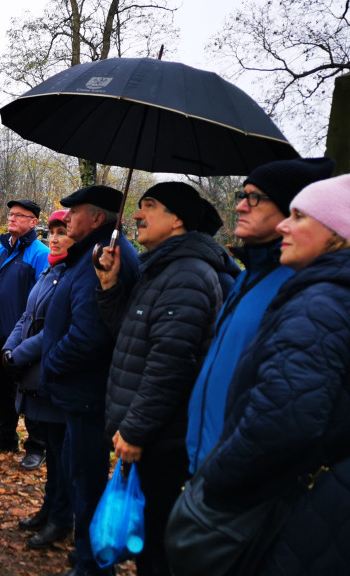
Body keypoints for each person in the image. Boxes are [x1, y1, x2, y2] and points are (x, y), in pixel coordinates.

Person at [196, 174, 350, 575]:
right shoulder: (324, 293)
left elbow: (284, 419)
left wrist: (215, 480)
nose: (284, 225)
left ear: (337, 231)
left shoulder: (322, 303)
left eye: (299, 216)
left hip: (297, 511)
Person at [94, 182, 226, 576]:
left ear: (177, 218)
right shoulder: (162, 269)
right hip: (149, 434)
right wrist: (109, 285)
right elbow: (130, 337)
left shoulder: (187, 276)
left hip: (162, 440)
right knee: (147, 541)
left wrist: (135, 430)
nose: (137, 214)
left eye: (149, 205)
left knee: (156, 546)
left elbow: (170, 366)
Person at [186, 158, 335, 472]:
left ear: (291, 211)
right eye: (243, 195)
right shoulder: (246, 277)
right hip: (205, 463)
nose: (240, 206)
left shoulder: (301, 287)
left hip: (239, 473)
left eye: (255, 198)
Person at [42, 185, 139, 576]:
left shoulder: (103, 257)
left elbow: (90, 335)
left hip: (88, 393)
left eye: (74, 211)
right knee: (78, 476)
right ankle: (87, 555)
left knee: (87, 483)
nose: (66, 218)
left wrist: (50, 363)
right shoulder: (91, 254)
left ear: (98, 218)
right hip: (81, 393)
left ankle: (93, 566)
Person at [3, 209, 74, 550]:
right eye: (52, 232)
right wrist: (9, 346)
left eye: (63, 232)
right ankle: (50, 508)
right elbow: (27, 316)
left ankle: (61, 517)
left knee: (60, 453)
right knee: (53, 449)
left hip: (51, 372)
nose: (54, 239)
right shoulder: (50, 270)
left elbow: (54, 330)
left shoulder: (71, 275)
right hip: (34, 371)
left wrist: (19, 354)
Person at [0, 199, 49, 469]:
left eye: (20, 215)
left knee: (29, 391)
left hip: (22, 338)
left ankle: (37, 446)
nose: (12, 218)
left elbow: (42, 298)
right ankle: (7, 437)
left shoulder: (40, 253)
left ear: (33, 222)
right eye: (11, 214)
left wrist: (27, 337)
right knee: (3, 390)